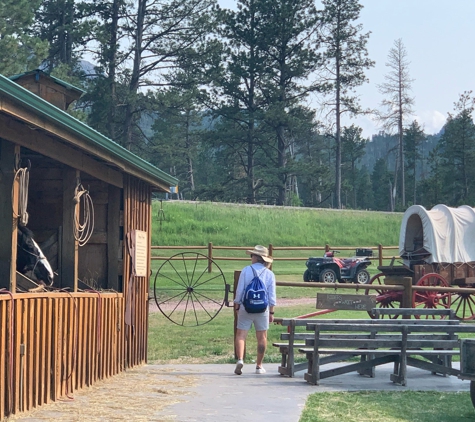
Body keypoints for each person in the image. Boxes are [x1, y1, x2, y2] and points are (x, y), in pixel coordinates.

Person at [233, 245, 276, 375]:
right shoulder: (269, 274)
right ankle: (259, 365)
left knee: (241, 334)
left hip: (246, 307)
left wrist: (237, 305)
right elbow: (271, 295)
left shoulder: (246, 270)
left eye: (252, 255)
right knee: (262, 337)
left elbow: (240, 290)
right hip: (262, 309)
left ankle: (240, 359)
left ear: (256, 257)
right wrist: (272, 312)